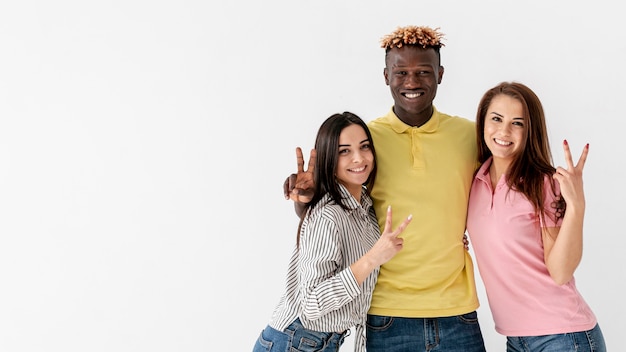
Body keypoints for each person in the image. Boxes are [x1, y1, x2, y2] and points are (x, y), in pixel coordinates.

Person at [284, 26, 487, 351]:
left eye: (423, 71)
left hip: (457, 312)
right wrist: (304, 198)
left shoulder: (469, 136)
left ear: (440, 74)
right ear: (385, 76)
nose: (412, 81)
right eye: (401, 72)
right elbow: (326, 211)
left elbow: (504, 186)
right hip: (385, 315)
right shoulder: (364, 142)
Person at [253, 112, 413, 352]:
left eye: (364, 147)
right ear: (329, 158)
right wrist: (372, 259)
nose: (359, 158)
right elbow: (311, 303)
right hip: (294, 340)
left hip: (320, 342)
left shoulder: (365, 210)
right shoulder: (328, 214)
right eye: (344, 151)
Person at [466, 81, 606, 351]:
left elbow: (561, 271)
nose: (504, 131)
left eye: (517, 123)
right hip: (516, 339)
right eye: (496, 119)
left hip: (563, 337)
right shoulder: (475, 180)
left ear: (530, 130)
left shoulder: (543, 183)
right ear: (482, 121)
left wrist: (577, 207)